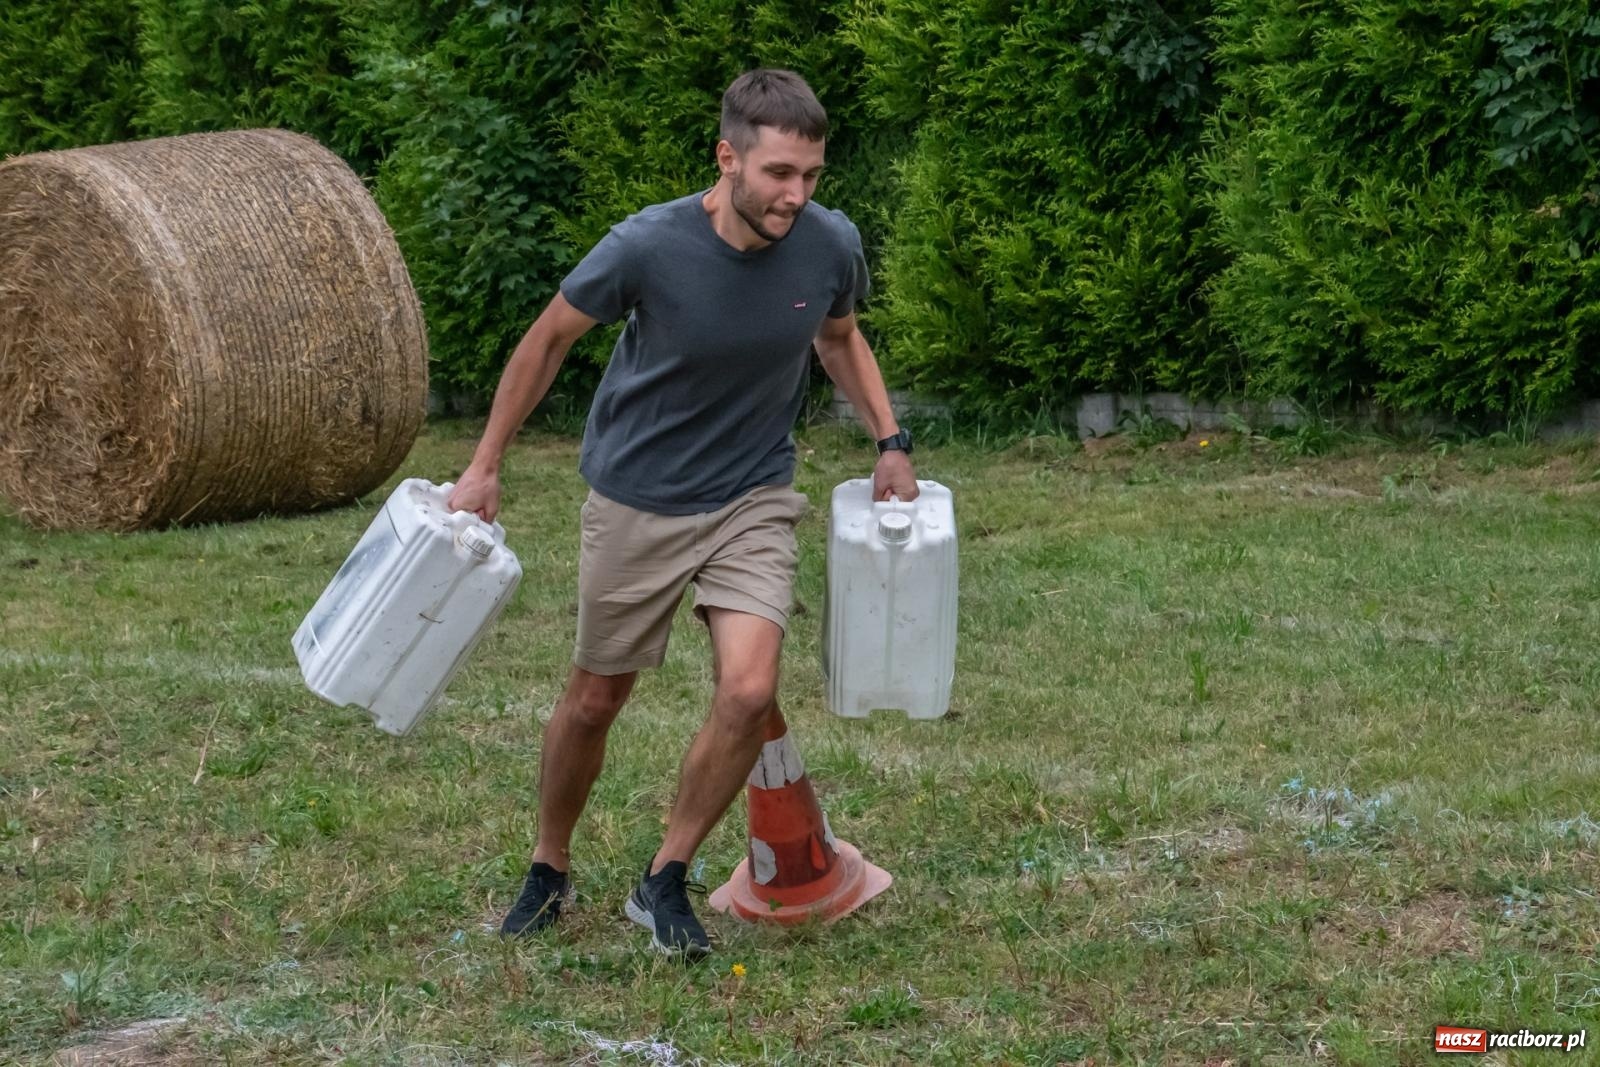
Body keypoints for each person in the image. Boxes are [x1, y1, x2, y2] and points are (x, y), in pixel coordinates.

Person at [447, 68, 918, 958]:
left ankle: (664, 876)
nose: (797, 195)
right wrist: (483, 463)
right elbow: (547, 339)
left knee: (749, 690)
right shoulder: (646, 246)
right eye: (780, 173)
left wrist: (890, 440)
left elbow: (840, 336)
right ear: (728, 155)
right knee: (596, 699)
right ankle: (548, 865)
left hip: (753, 493)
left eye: (812, 175)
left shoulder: (829, 244)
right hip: (639, 494)